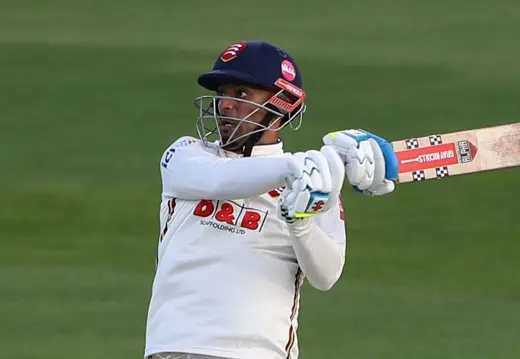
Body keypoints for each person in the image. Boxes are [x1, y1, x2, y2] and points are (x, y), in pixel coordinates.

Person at [143, 40, 398, 359]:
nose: (224, 105)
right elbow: (222, 179)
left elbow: (326, 274)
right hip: (177, 348)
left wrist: (300, 224)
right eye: (223, 92)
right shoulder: (186, 156)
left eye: (242, 94)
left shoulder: (315, 183)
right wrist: (298, 166)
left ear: (282, 103)